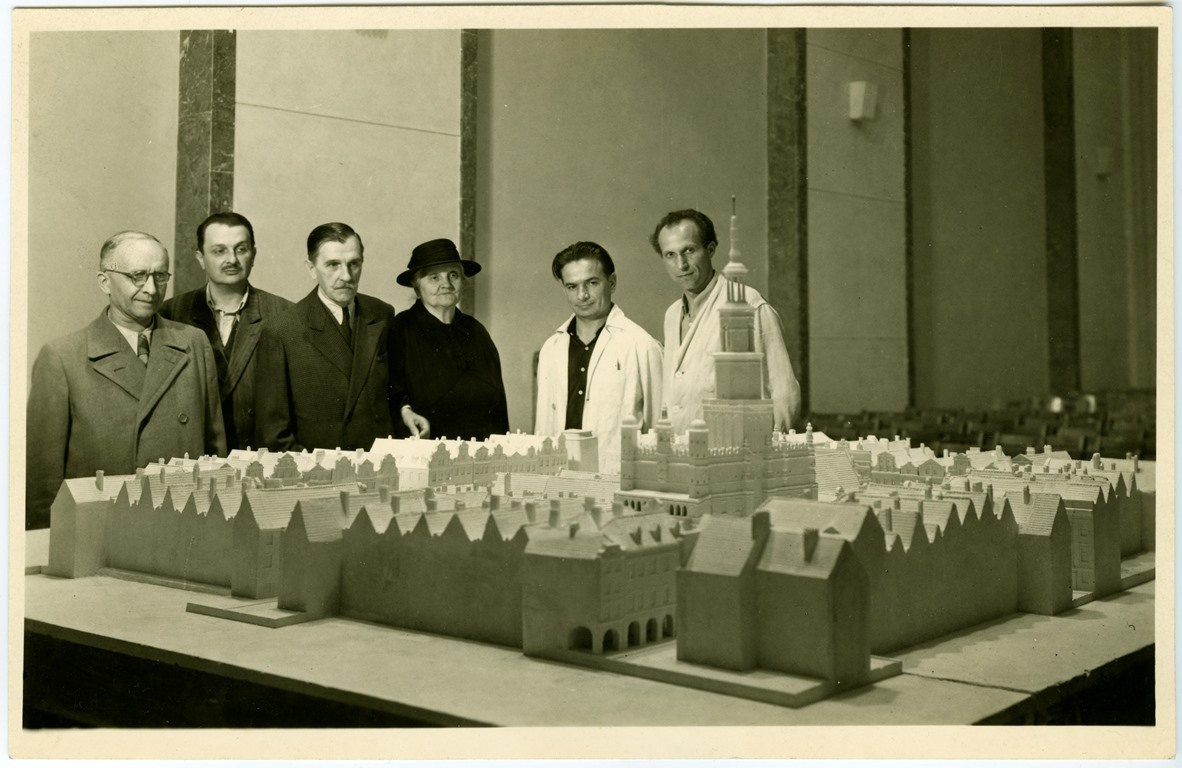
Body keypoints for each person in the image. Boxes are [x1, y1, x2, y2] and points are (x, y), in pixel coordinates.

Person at [25, 231, 226, 529]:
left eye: (160, 276)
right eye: (137, 276)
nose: (151, 288)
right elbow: (42, 480)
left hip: (183, 523)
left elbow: (214, 450)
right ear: (105, 281)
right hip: (101, 528)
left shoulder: (193, 342)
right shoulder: (62, 357)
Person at [652, 209, 801, 434]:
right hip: (685, 456)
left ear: (710, 249)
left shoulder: (749, 305)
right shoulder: (672, 315)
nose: (681, 264)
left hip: (734, 458)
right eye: (670, 255)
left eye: (689, 250)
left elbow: (784, 397)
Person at [254, 222, 398, 452]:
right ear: (311, 268)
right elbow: (274, 433)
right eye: (333, 265)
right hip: (320, 474)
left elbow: (393, 391)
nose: (346, 275)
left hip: (379, 466)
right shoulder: (282, 330)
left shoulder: (381, 314)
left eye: (354, 264)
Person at [159, 212, 293, 450]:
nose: (232, 259)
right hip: (195, 457)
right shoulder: (170, 313)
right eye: (219, 251)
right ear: (200, 258)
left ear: (254, 254)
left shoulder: (285, 314)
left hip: (258, 457)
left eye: (241, 249)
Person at [535, 241, 663, 470]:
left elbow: (659, 430)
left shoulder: (642, 345)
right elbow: (543, 427)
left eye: (592, 283)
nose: (582, 295)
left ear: (611, 283)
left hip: (619, 481)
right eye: (572, 287)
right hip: (559, 480)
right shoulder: (551, 348)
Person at [388, 238, 509, 441]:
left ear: (463, 281)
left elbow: (498, 404)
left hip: (481, 455)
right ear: (417, 287)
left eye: (453, 275)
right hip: (428, 453)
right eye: (434, 278)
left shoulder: (476, 331)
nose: (446, 284)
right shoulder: (400, 329)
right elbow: (391, 395)